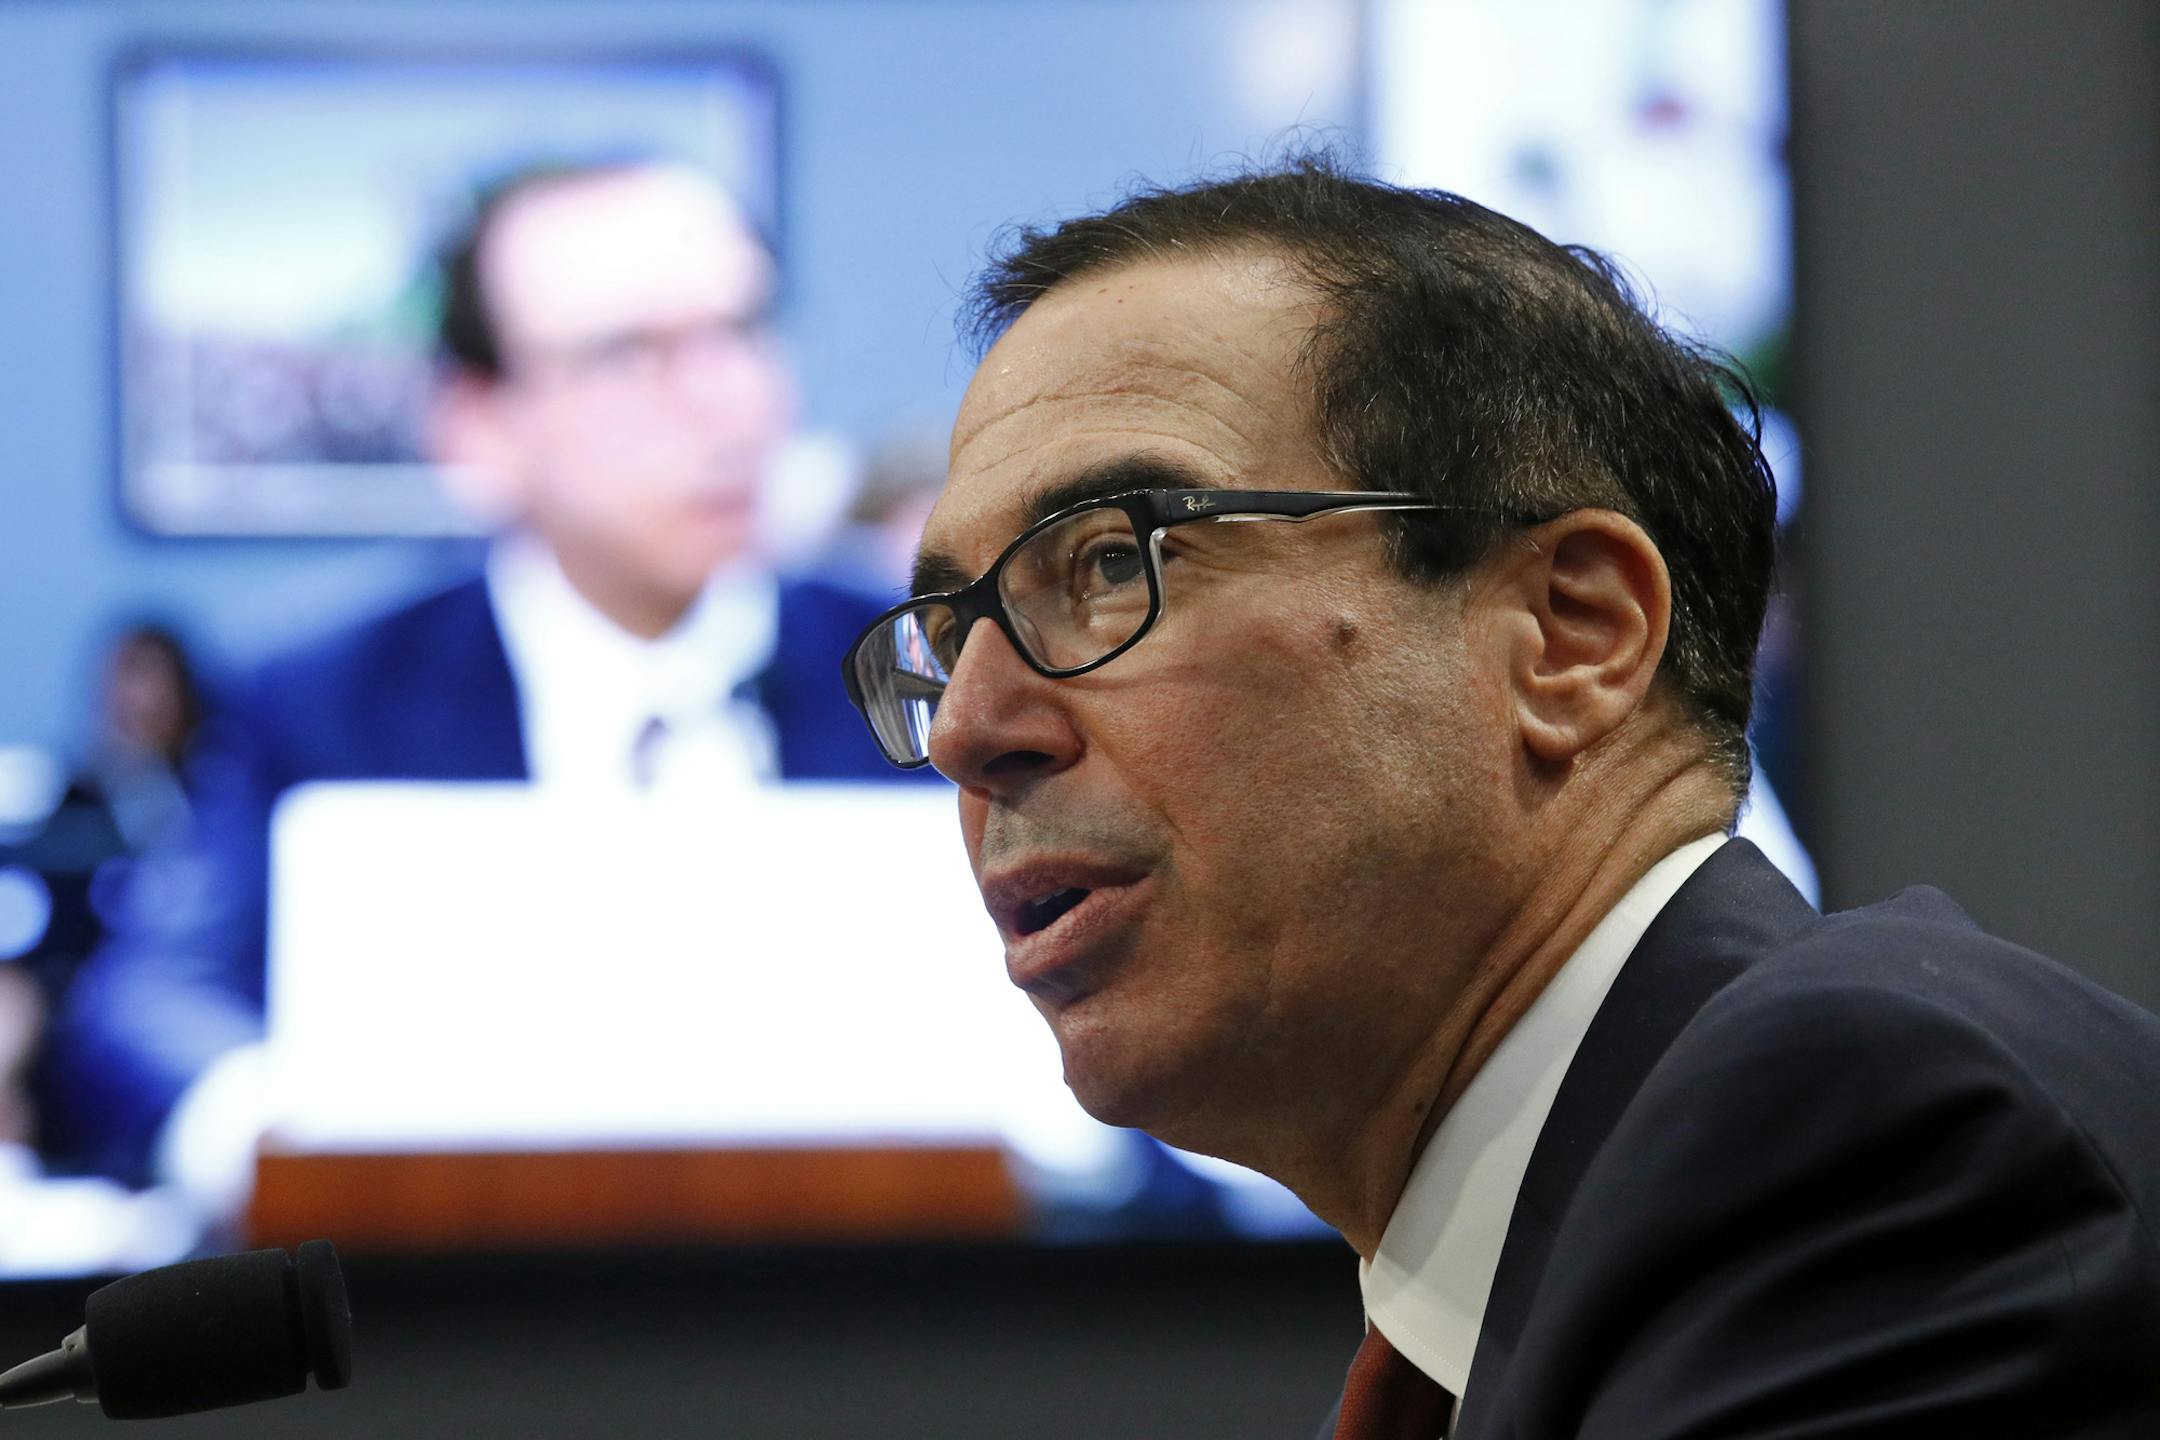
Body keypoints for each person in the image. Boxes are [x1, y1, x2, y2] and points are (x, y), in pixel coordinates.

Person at [841, 158, 2160, 1436]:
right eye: (950, 636)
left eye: (1111, 564)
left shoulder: (1861, 1139)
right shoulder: (1533, 1294)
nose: (968, 730)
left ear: (1569, 635)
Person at [51, 159, 913, 1203]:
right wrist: (284, 1137)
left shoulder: (923, 664)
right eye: (629, 354)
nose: (727, 403)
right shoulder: (329, 690)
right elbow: (149, 1000)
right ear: (478, 424)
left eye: (741, 331)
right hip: (467, 1328)